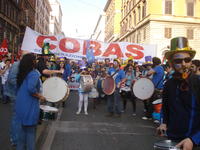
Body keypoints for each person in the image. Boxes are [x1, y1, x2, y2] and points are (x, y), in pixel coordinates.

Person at [157, 37, 200, 150]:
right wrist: (163, 123)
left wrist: (194, 139)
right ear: (171, 63)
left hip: (193, 142)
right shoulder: (169, 84)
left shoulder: (198, 82)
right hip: (173, 139)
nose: (184, 64)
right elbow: (165, 108)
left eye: (187, 59)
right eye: (178, 61)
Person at [15, 53, 46, 150]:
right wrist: (40, 96)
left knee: (21, 134)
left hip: (21, 105)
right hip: (29, 106)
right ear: (32, 62)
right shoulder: (33, 73)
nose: (36, 61)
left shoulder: (21, 73)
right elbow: (31, 89)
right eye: (35, 60)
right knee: (30, 134)